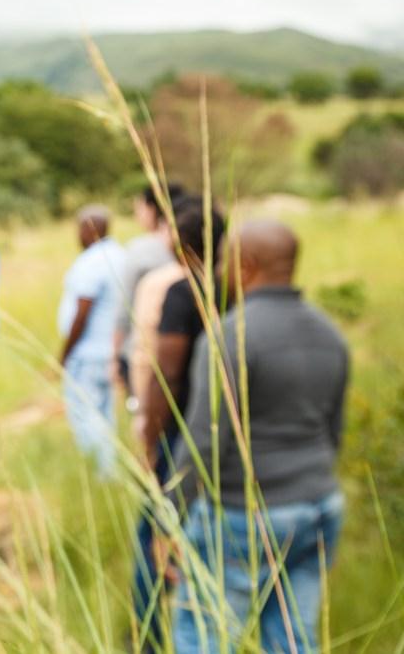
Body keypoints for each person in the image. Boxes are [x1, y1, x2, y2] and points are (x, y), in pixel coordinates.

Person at [169, 219, 349, 653]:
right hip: (319, 507)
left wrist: (172, 514)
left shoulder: (231, 334)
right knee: (294, 639)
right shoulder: (331, 334)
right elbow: (334, 432)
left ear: (245, 265)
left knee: (205, 636)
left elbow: (205, 441)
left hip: (244, 516)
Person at [130, 198, 226, 651]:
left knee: (155, 535)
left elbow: (165, 373)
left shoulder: (181, 292)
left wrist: (149, 437)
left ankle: (147, 637)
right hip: (224, 436)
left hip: (181, 436)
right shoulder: (233, 287)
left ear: (177, 242)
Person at [57, 205, 125, 478]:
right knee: (104, 412)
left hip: (88, 352)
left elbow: (82, 311)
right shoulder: (120, 255)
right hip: (111, 350)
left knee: (85, 413)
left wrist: (65, 352)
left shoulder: (92, 261)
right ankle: (109, 469)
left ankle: (104, 474)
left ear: (88, 229)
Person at [113, 183, 184, 403]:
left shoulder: (140, 249)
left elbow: (124, 308)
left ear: (152, 209)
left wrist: (114, 355)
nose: (138, 215)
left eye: (140, 208)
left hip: (143, 348)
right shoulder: (191, 240)